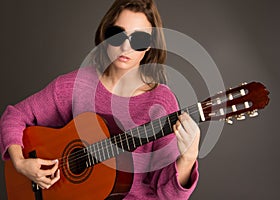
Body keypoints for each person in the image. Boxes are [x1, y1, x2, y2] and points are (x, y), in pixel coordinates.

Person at [0, 0, 200, 199]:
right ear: (105, 35)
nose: (125, 46)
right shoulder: (75, 85)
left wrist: (188, 158)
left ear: (149, 46)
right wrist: (20, 162)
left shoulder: (161, 102)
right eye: (117, 35)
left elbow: (169, 195)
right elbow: (14, 116)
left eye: (139, 39)